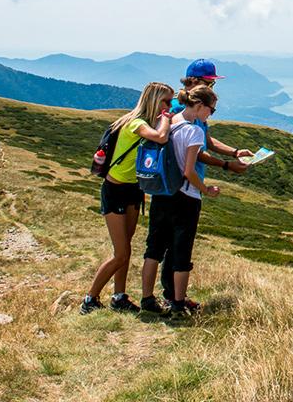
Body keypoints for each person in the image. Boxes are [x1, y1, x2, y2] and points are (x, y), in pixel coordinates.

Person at [158, 58, 252, 307]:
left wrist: (234, 152)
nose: (213, 87)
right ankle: (172, 297)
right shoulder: (183, 108)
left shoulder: (193, 106)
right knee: (177, 241)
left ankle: (172, 295)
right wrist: (227, 166)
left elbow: (207, 141)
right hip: (182, 184)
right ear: (195, 82)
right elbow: (193, 151)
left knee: (172, 241)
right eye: (211, 82)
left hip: (183, 184)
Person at [80, 82, 174, 315]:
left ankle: (119, 297)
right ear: (153, 101)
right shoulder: (135, 123)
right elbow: (161, 137)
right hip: (115, 190)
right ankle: (89, 299)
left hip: (134, 190)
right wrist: (166, 118)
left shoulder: (143, 122)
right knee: (120, 253)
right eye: (165, 101)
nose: (168, 106)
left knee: (126, 249)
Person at [140, 84, 222, 317]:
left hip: (161, 194)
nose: (211, 114)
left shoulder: (169, 121)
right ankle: (177, 304)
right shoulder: (194, 131)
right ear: (198, 105)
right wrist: (206, 190)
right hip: (185, 197)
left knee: (153, 249)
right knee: (180, 252)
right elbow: (189, 171)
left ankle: (147, 299)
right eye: (211, 110)